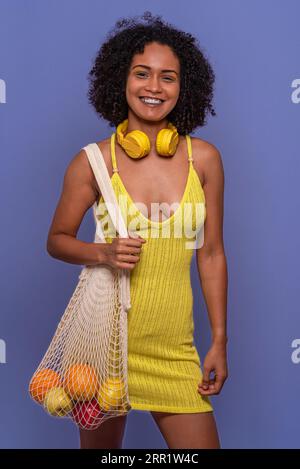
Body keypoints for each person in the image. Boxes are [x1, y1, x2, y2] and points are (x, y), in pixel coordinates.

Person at [47, 12, 228, 449]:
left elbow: (211, 254)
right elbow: (56, 240)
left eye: (168, 77)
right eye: (142, 73)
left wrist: (220, 340)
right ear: (120, 80)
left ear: (183, 88)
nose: (154, 87)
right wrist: (103, 253)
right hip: (104, 349)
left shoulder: (202, 160)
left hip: (175, 352)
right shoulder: (92, 162)